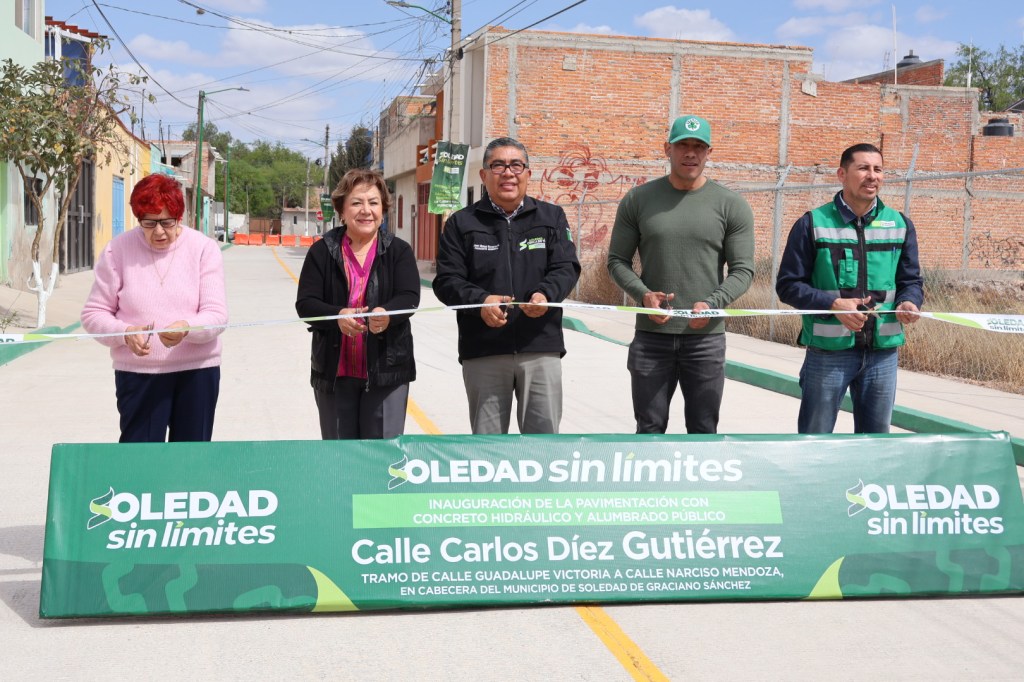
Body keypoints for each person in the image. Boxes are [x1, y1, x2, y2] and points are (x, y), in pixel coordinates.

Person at [607, 115, 755, 434]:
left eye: (698, 146)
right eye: (682, 145)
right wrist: (643, 296)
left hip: (706, 340)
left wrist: (713, 303)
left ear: (709, 152)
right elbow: (617, 261)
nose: (690, 152)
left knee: (703, 430)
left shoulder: (731, 205)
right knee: (649, 428)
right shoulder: (638, 199)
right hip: (651, 337)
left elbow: (743, 270)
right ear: (667, 149)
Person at [432, 137, 581, 435]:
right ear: (484, 175)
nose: (508, 173)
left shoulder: (551, 217)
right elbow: (447, 280)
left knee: (543, 445)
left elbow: (566, 267)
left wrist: (545, 294)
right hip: (484, 349)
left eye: (516, 165)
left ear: (528, 173)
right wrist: (480, 302)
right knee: (488, 448)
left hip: (540, 347)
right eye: (498, 165)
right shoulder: (462, 223)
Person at [776, 143, 923, 434]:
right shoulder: (812, 224)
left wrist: (909, 301)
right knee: (815, 440)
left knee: (876, 443)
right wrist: (833, 305)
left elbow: (911, 281)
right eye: (863, 168)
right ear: (842, 174)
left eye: (878, 169)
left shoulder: (900, 225)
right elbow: (788, 285)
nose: (872, 176)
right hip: (828, 354)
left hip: (882, 355)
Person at [81, 173, 228, 442]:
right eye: (148, 223)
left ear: (179, 217)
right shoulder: (117, 250)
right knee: (140, 458)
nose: (159, 232)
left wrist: (187, 328)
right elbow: (94, 314)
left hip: (197, 373)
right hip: (139, 374)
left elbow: (217, 315)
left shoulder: (203, 249)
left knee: (191, 458)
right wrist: (125, 333)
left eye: (167, 222)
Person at [296, 169, 420, 440]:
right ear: (342, 210)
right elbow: (306, 304)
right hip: (334, 372)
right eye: (356, 203)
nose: (366, 210)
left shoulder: (399, 251)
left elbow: (409, 296)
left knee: (383, 454)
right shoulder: (322, 251)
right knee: (340, 455)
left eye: (373, 202)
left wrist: (387, 313)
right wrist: (337, 315)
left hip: (387, 369)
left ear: (383, 209)